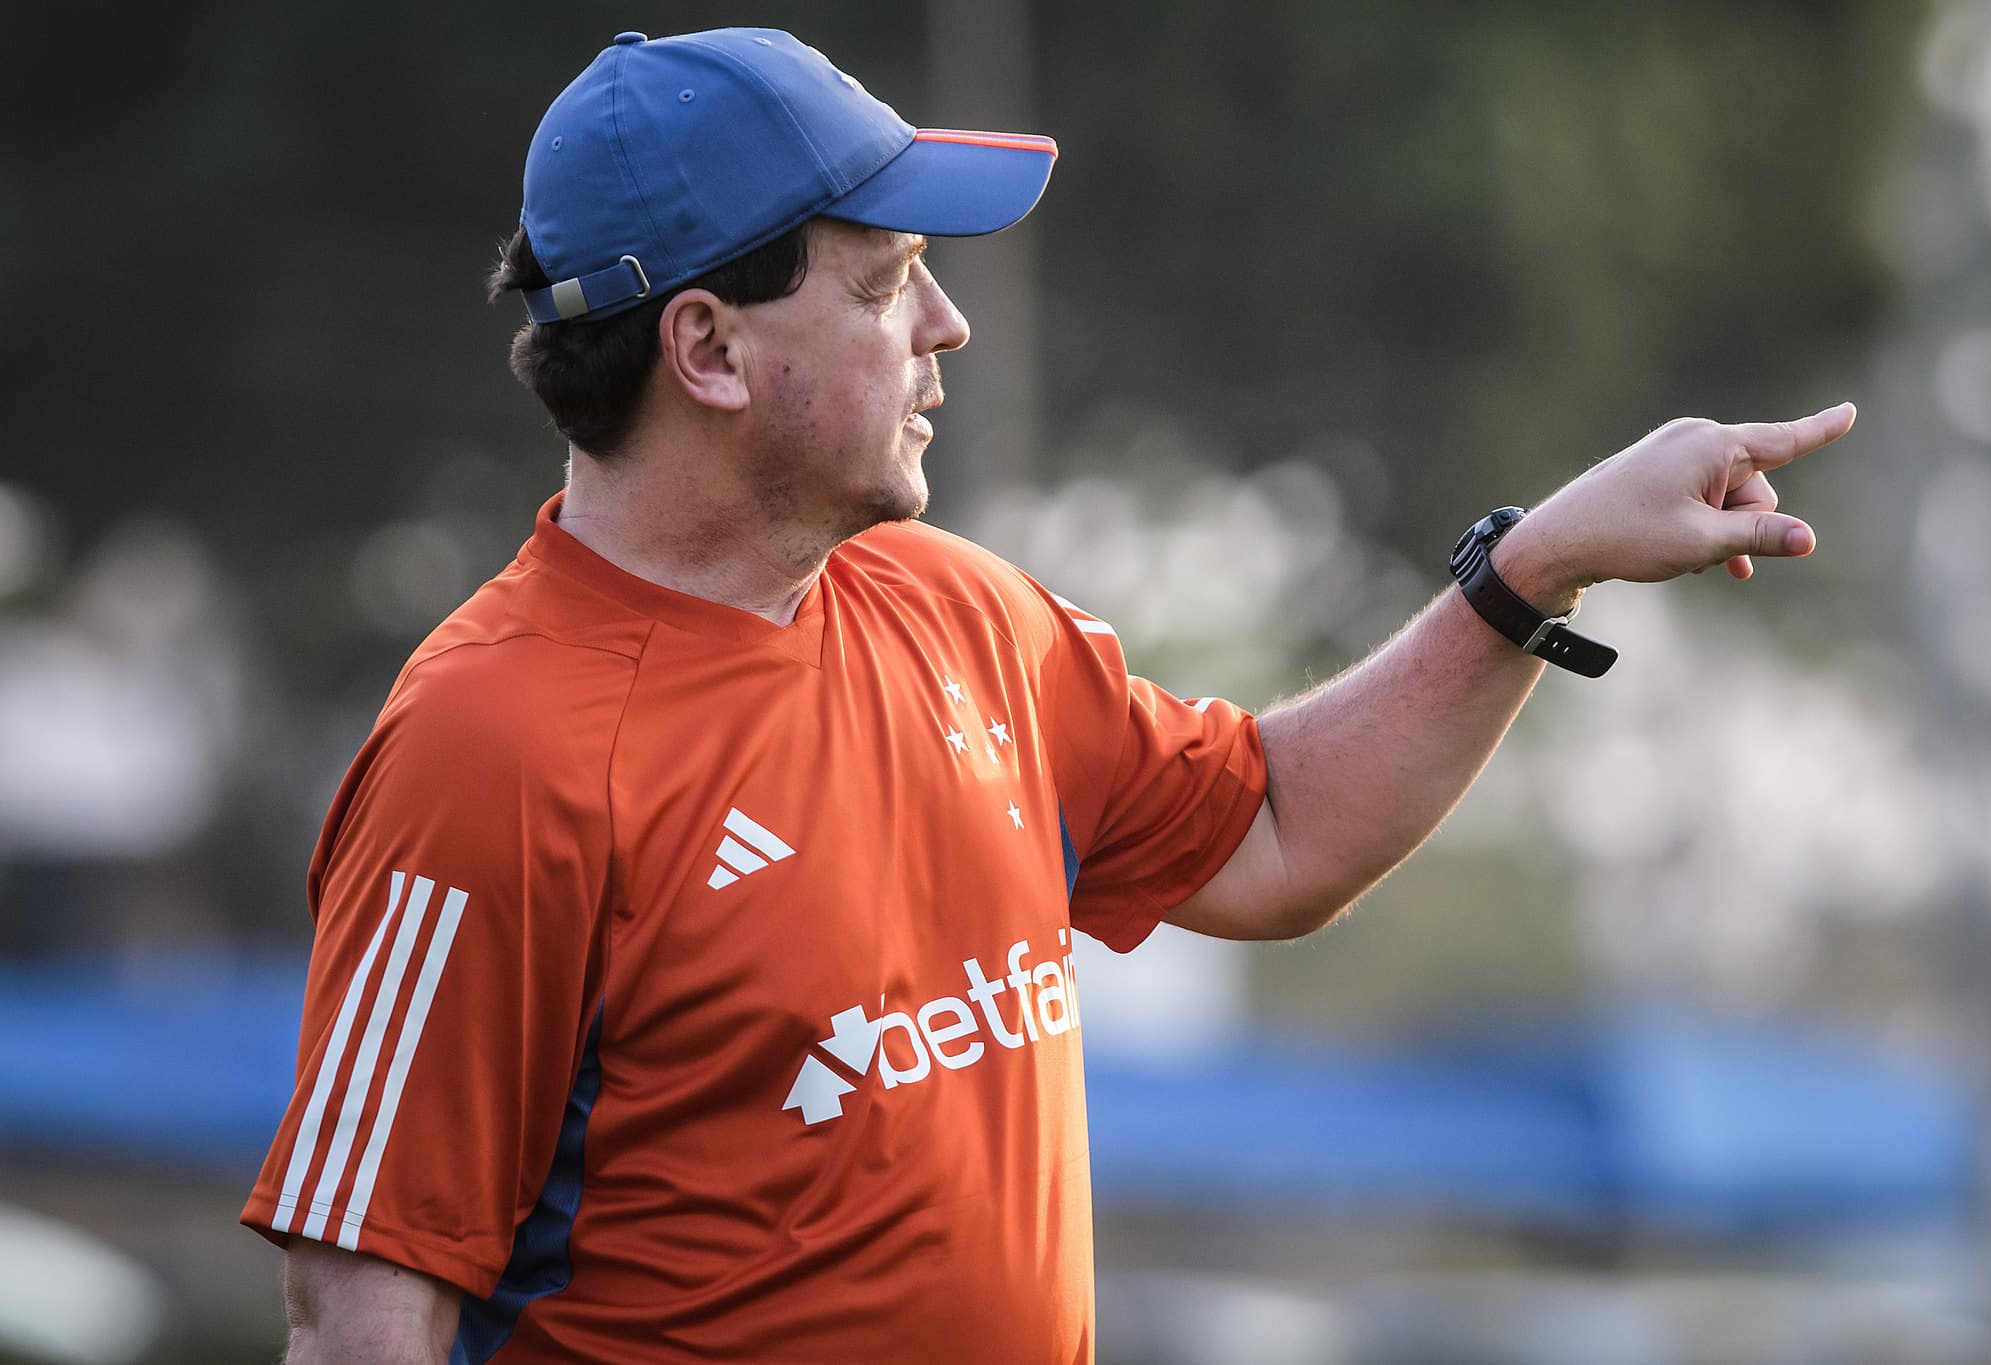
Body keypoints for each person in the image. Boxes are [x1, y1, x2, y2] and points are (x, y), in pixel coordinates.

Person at [241, 26, 1856, 1365]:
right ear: (710, 350)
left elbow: (1279, 831)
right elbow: (362, 1318)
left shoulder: (961, 614)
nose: (946, 327)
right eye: (884, 289)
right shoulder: (489, 748)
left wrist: (1536, 567)